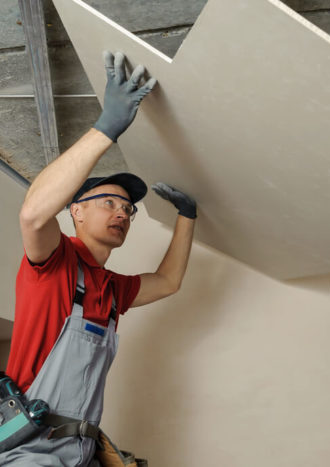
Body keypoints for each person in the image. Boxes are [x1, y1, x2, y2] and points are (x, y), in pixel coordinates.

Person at [0, 51, 196, 465]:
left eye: (128, 209)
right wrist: (106, 128)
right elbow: (33, 214)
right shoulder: (55, 261)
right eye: (109, 202)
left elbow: (169, 281)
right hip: (31, 453)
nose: (121, 213)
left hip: (83, 452)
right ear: (76, 210)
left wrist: (188, 216)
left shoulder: (111, 288)